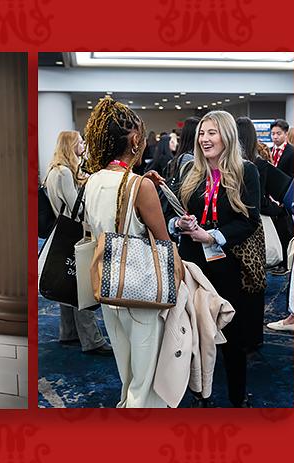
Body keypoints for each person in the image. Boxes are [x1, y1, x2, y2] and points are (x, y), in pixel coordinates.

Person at [82, 97, 171, 408]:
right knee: (146, 380)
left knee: (128, 370)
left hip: (108, 284)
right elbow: (163, 242)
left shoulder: (92, 181)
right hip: (141, 286)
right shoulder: (138, 186)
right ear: (135, 140)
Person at [170, 110, 262, 408]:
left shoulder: (246, 171)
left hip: (227, 264)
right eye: (202, 133)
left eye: (212, 133)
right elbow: (172, 213)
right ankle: (201, 395)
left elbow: (249, 220)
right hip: (191, 264)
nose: (205, 139)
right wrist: (178, 225)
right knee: (194, 332)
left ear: (227, 136)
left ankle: (238, 398)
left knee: (232, 336)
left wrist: (213, 236)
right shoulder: (190, 171)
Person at [42, 130, 112, 356]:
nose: (83, 145)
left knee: (66, 281)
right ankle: (92, 340)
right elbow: (77, 208)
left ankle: (68, 331)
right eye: (80, 142)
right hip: (76, 232)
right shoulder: (64, 173)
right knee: (82, 286)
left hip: (62, 232)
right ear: (70, 146)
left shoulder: (54, 171)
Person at [237, 117, 293, 282]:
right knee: (253, 269)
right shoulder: (257, 163)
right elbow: (259, 201)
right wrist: (279, 211)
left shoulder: (227, 163)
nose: (274, 137)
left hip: (233, 224)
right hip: (253, 224)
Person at [269, 119, 294, 275]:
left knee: (286, 231)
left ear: (286, 134)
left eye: (278, 133)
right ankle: (280, 261)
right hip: (274, 197)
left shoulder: (291, 152)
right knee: (278, 231)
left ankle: (287, 264)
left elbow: (293, 176)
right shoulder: (271, 150)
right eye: (273, 133)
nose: (275, 137)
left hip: (285, 195)